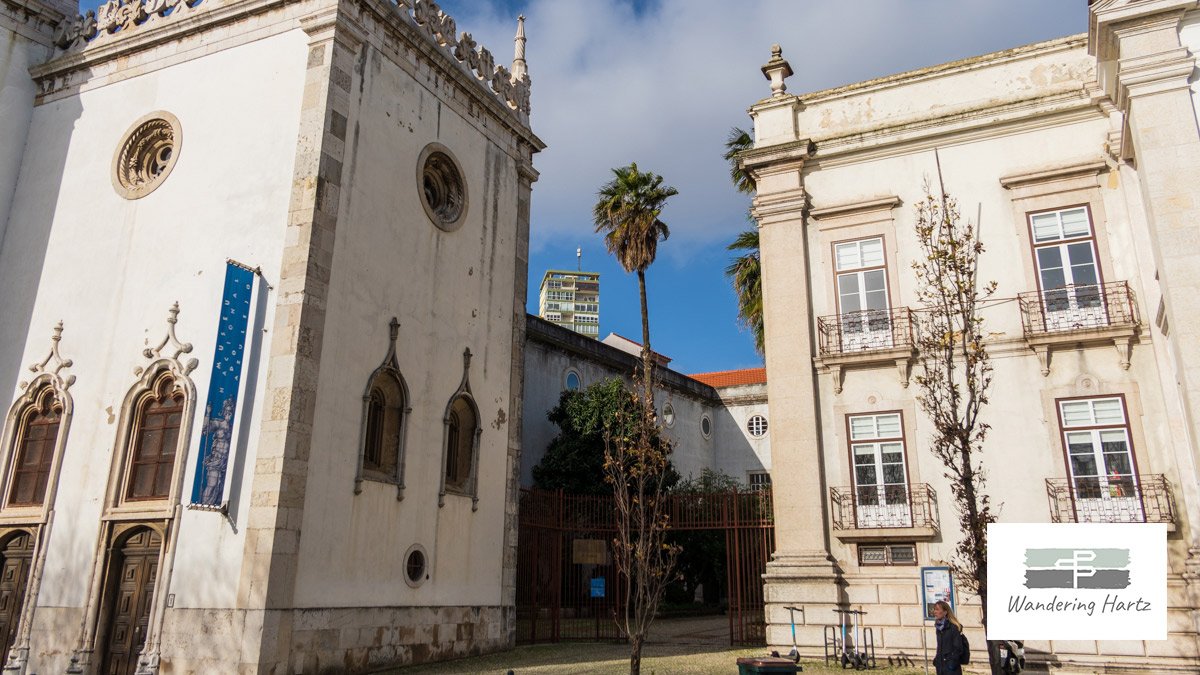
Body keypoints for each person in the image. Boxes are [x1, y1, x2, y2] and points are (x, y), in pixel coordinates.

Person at [932, 600, 964, 675]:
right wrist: (936, 660)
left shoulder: (953, 627)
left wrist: (952, 663)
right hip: (940, 666)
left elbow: (958, 648)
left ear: (945, 612)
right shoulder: (938, 628)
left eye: (937, 609)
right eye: (934, 609)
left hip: (951, 668)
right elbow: (940, 647)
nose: (935, 612)